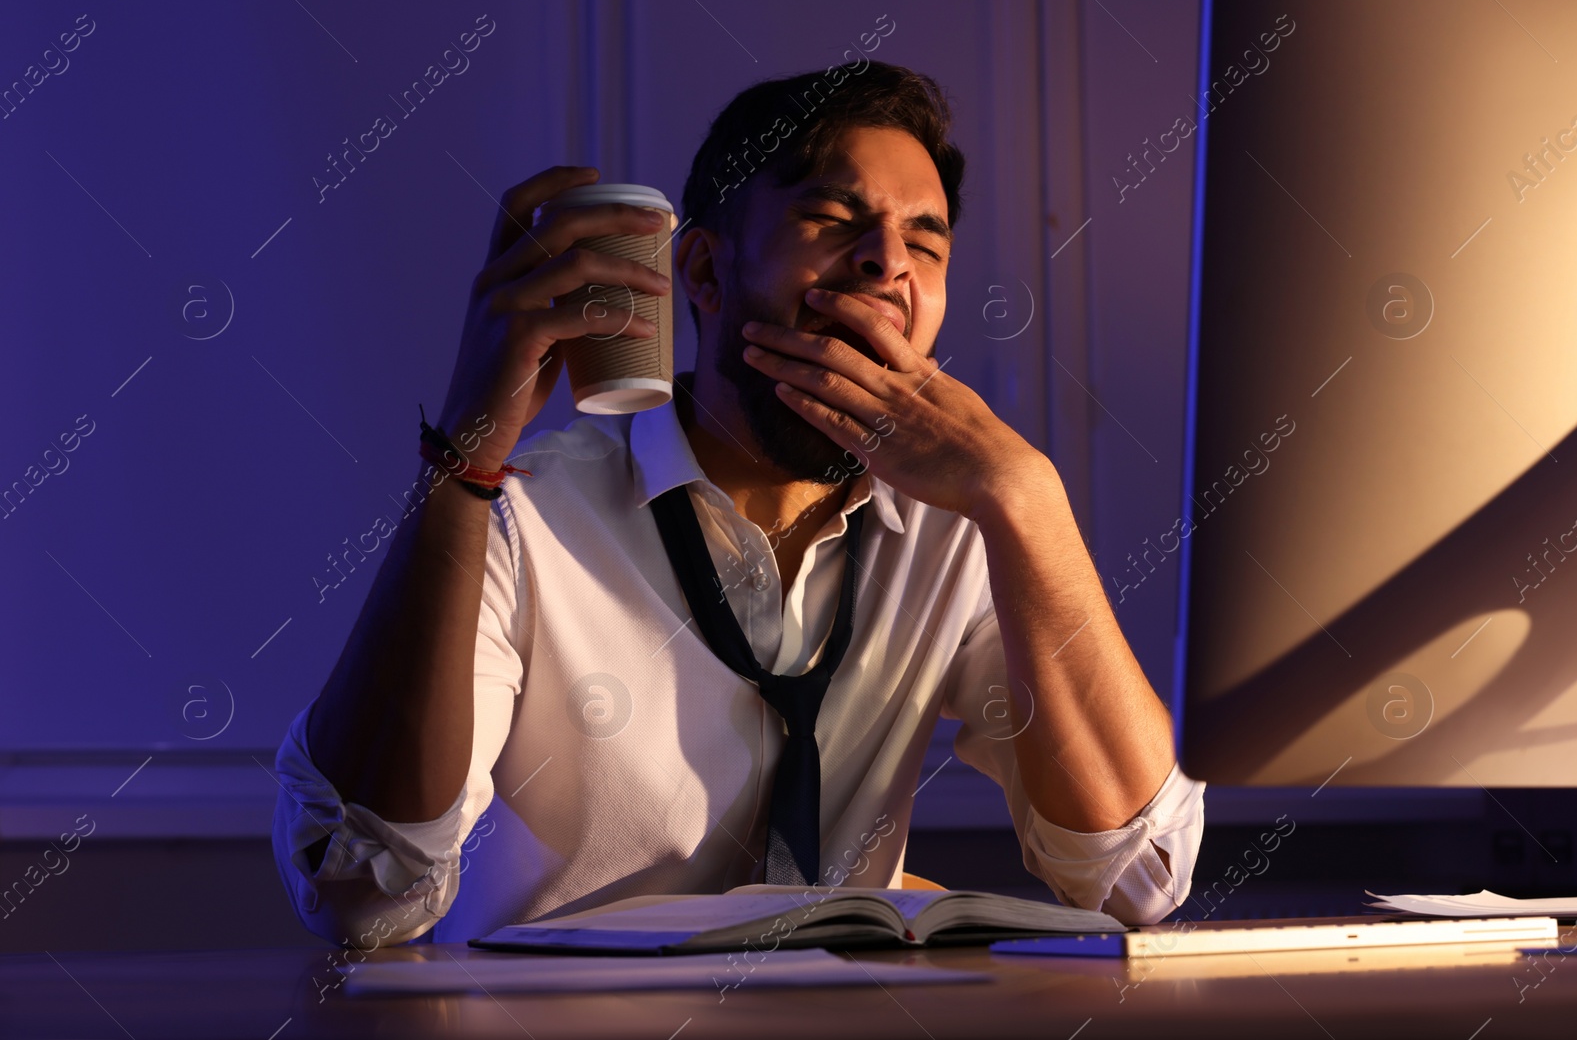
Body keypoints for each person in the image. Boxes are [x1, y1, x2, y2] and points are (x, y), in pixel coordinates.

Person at [270, 61, 1204, 949]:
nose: (888, 264)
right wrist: (461, 463)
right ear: (707, 277)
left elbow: (1139, 873)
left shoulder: (962, 533)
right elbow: (364, 893)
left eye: (925, 239)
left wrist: (1027, 497)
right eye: (835, 219)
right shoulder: (522, 518)